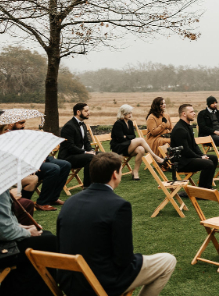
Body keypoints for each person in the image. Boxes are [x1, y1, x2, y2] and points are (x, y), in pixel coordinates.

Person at [57, 152, 176, 296]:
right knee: (168, 261)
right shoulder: (118, 205)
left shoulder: (70, 201)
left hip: (69, 282)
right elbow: (124, 259)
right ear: (115, 174)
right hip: (100, 281)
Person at [0, 191, 57, 296]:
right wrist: (28, 232)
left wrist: (23, 227)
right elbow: (3, 232)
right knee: (49, 242)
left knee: (44, 238)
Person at [5, 119, 71, 212]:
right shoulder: (6, 137)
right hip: (25, 164)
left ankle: (53, 198)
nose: (23, 125)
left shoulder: (22, 134)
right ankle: (42, 202)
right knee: (53, 169)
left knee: (65, 164)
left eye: (24, 123)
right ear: (11, 124)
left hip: (36, 159)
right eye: (21, 123)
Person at [110, 104, 167, 181]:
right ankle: (155, 157)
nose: (130, 115)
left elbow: (133, 136)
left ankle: (135, 172)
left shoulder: (130, 122)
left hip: (128, 145)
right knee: (140, 140)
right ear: (123, 113)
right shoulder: (118, 123)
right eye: (128, 113)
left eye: (131, 113)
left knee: (141, 149)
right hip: (119, 148)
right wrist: (128, 137)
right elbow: (120, 139)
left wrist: (126, 136)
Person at [170, 104, 219, 189]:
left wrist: (202, 155)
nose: (194, 113)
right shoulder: (179, 129)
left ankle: (206, 187)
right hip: (182, 162)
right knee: (208, 163)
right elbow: (186, 151)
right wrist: (200, 157)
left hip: (188, 158)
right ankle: (203, 190)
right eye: (191, 112)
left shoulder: (187, 126)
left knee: (213, 158)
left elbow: (194, 145)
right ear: (184, 114)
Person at [58, 102, 96, 189]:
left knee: (102, 156)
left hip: (80, 155)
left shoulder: (83, 125)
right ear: (78, 112)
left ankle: (98, 183)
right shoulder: (69, 126)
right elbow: (70, 147)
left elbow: (86, 142)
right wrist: (86, 152)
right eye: (86, 111)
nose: (88, 112)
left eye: (88, 110)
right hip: (68, 157)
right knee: (90, 158)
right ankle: (87, 186)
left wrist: (91, 151)